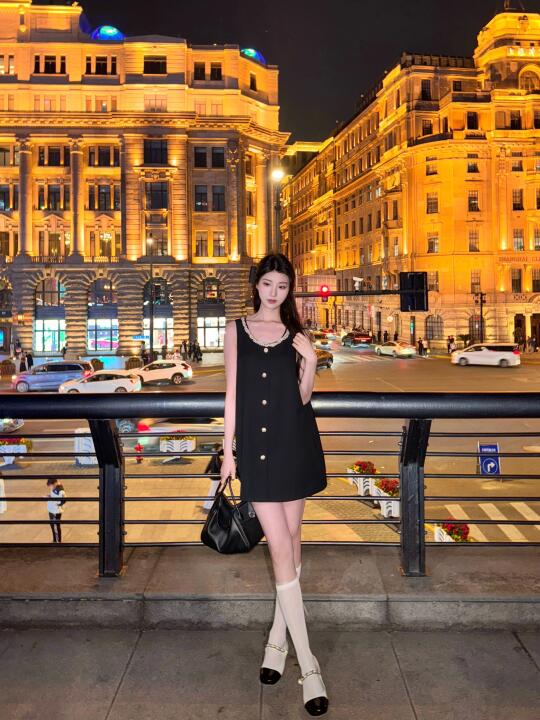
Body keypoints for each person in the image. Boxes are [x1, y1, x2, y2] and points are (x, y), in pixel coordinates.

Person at [219, 252, 329, 715]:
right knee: (280, 548)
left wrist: (312, 361)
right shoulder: (236, 330)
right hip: (258, 453)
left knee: (294, 541)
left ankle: (276, 643)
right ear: (256, 285)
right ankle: (310, 667)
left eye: (282, 287)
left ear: (289, 290)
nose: (274, 293)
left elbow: (302, 397)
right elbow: (231, 395)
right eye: (268, 284)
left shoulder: (296, 335)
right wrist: (228, 453)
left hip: (294, 444)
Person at [46, 478, 66, 543]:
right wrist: (50, 496)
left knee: (55, 526)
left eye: (51, 486)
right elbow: (54, 496)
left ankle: (58, 541)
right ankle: (55, 540)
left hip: (56, 511)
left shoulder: (60, 491)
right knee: (52, 525)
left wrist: (55, 503)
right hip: (52, 509)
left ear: (55, 483)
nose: (50, 487)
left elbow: (63, 500)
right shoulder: (55, 487)